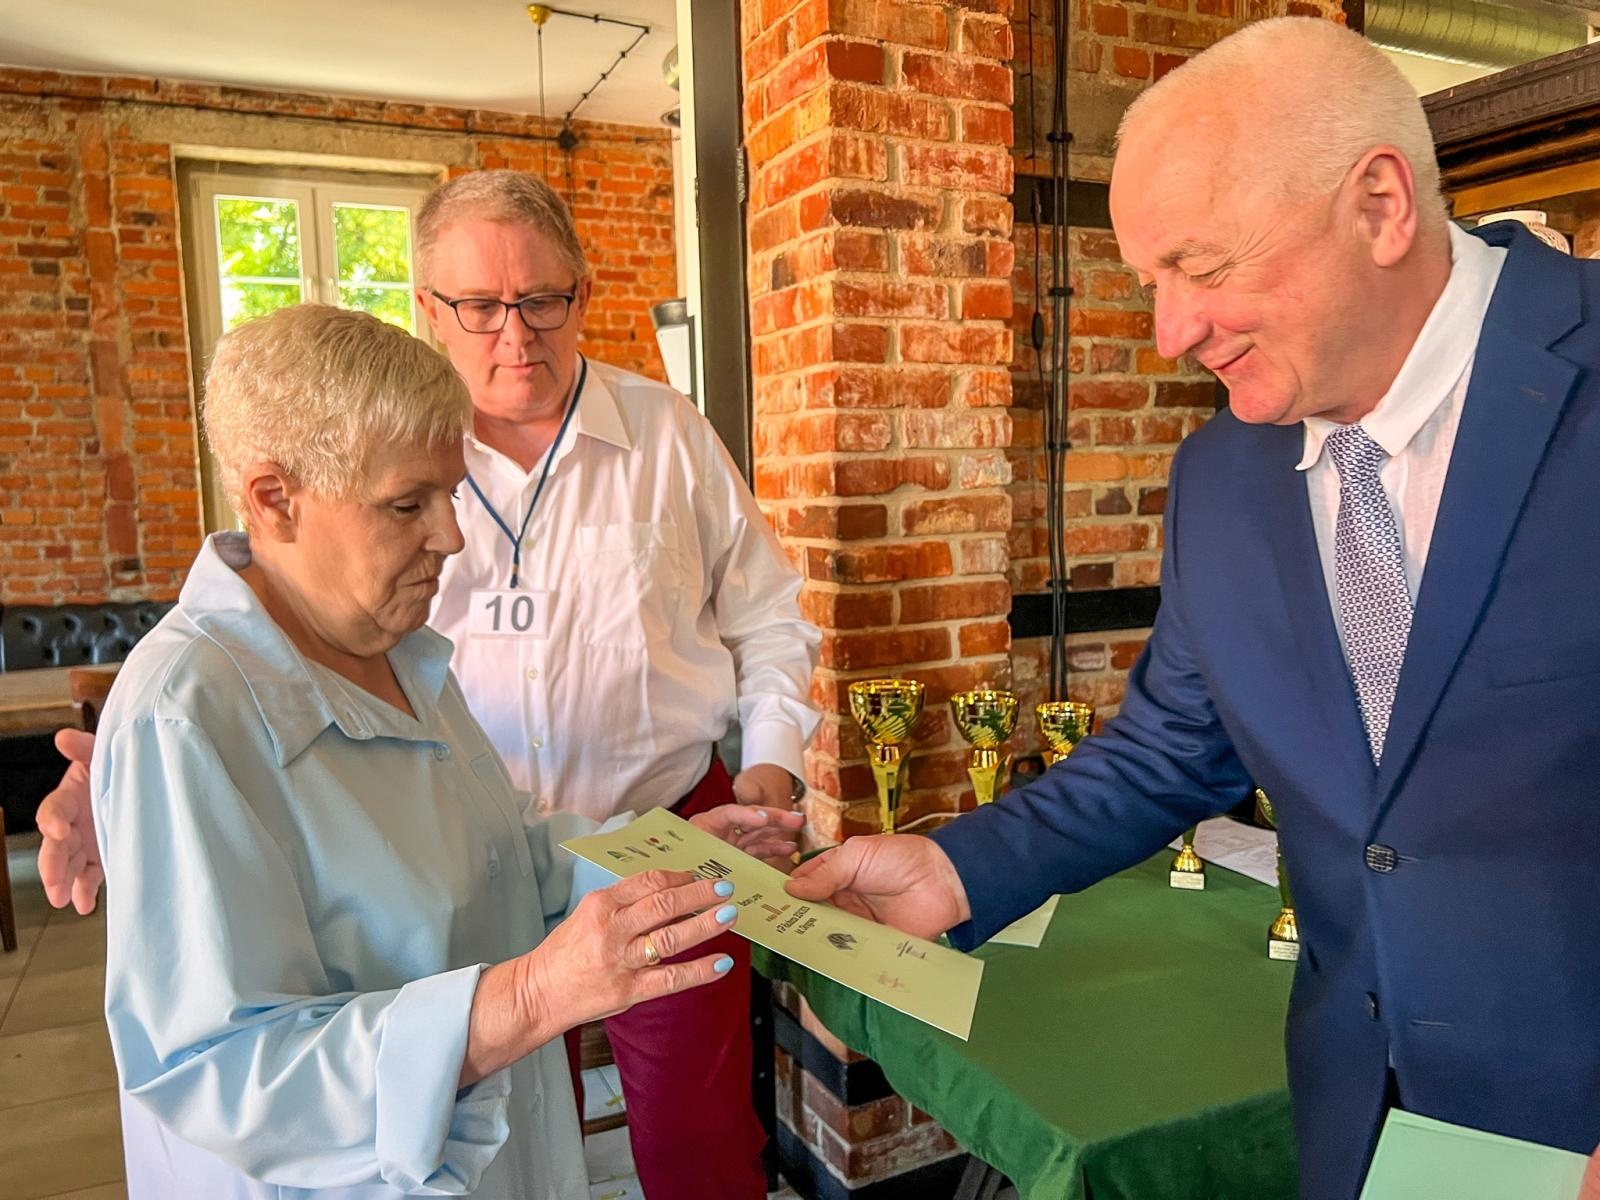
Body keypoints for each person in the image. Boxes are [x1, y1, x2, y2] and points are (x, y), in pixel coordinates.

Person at [786, 18, 1600, 1200]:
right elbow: (1170, 748)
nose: (1172, 334)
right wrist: (953, 872)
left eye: (1204, 270)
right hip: (1358, 1122)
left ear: (1379, 204)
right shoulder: (1222, 472)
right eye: (1150, 283)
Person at [40, 169, 820, 1200]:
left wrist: (678, 847)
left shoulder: (405, 647)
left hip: (632, 837)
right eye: (412, 505)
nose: (452, 540)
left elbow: (500, 861)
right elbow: (220, 1068)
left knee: (694, 1147)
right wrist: (532, 996)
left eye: (543, 301)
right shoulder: (207, 689)